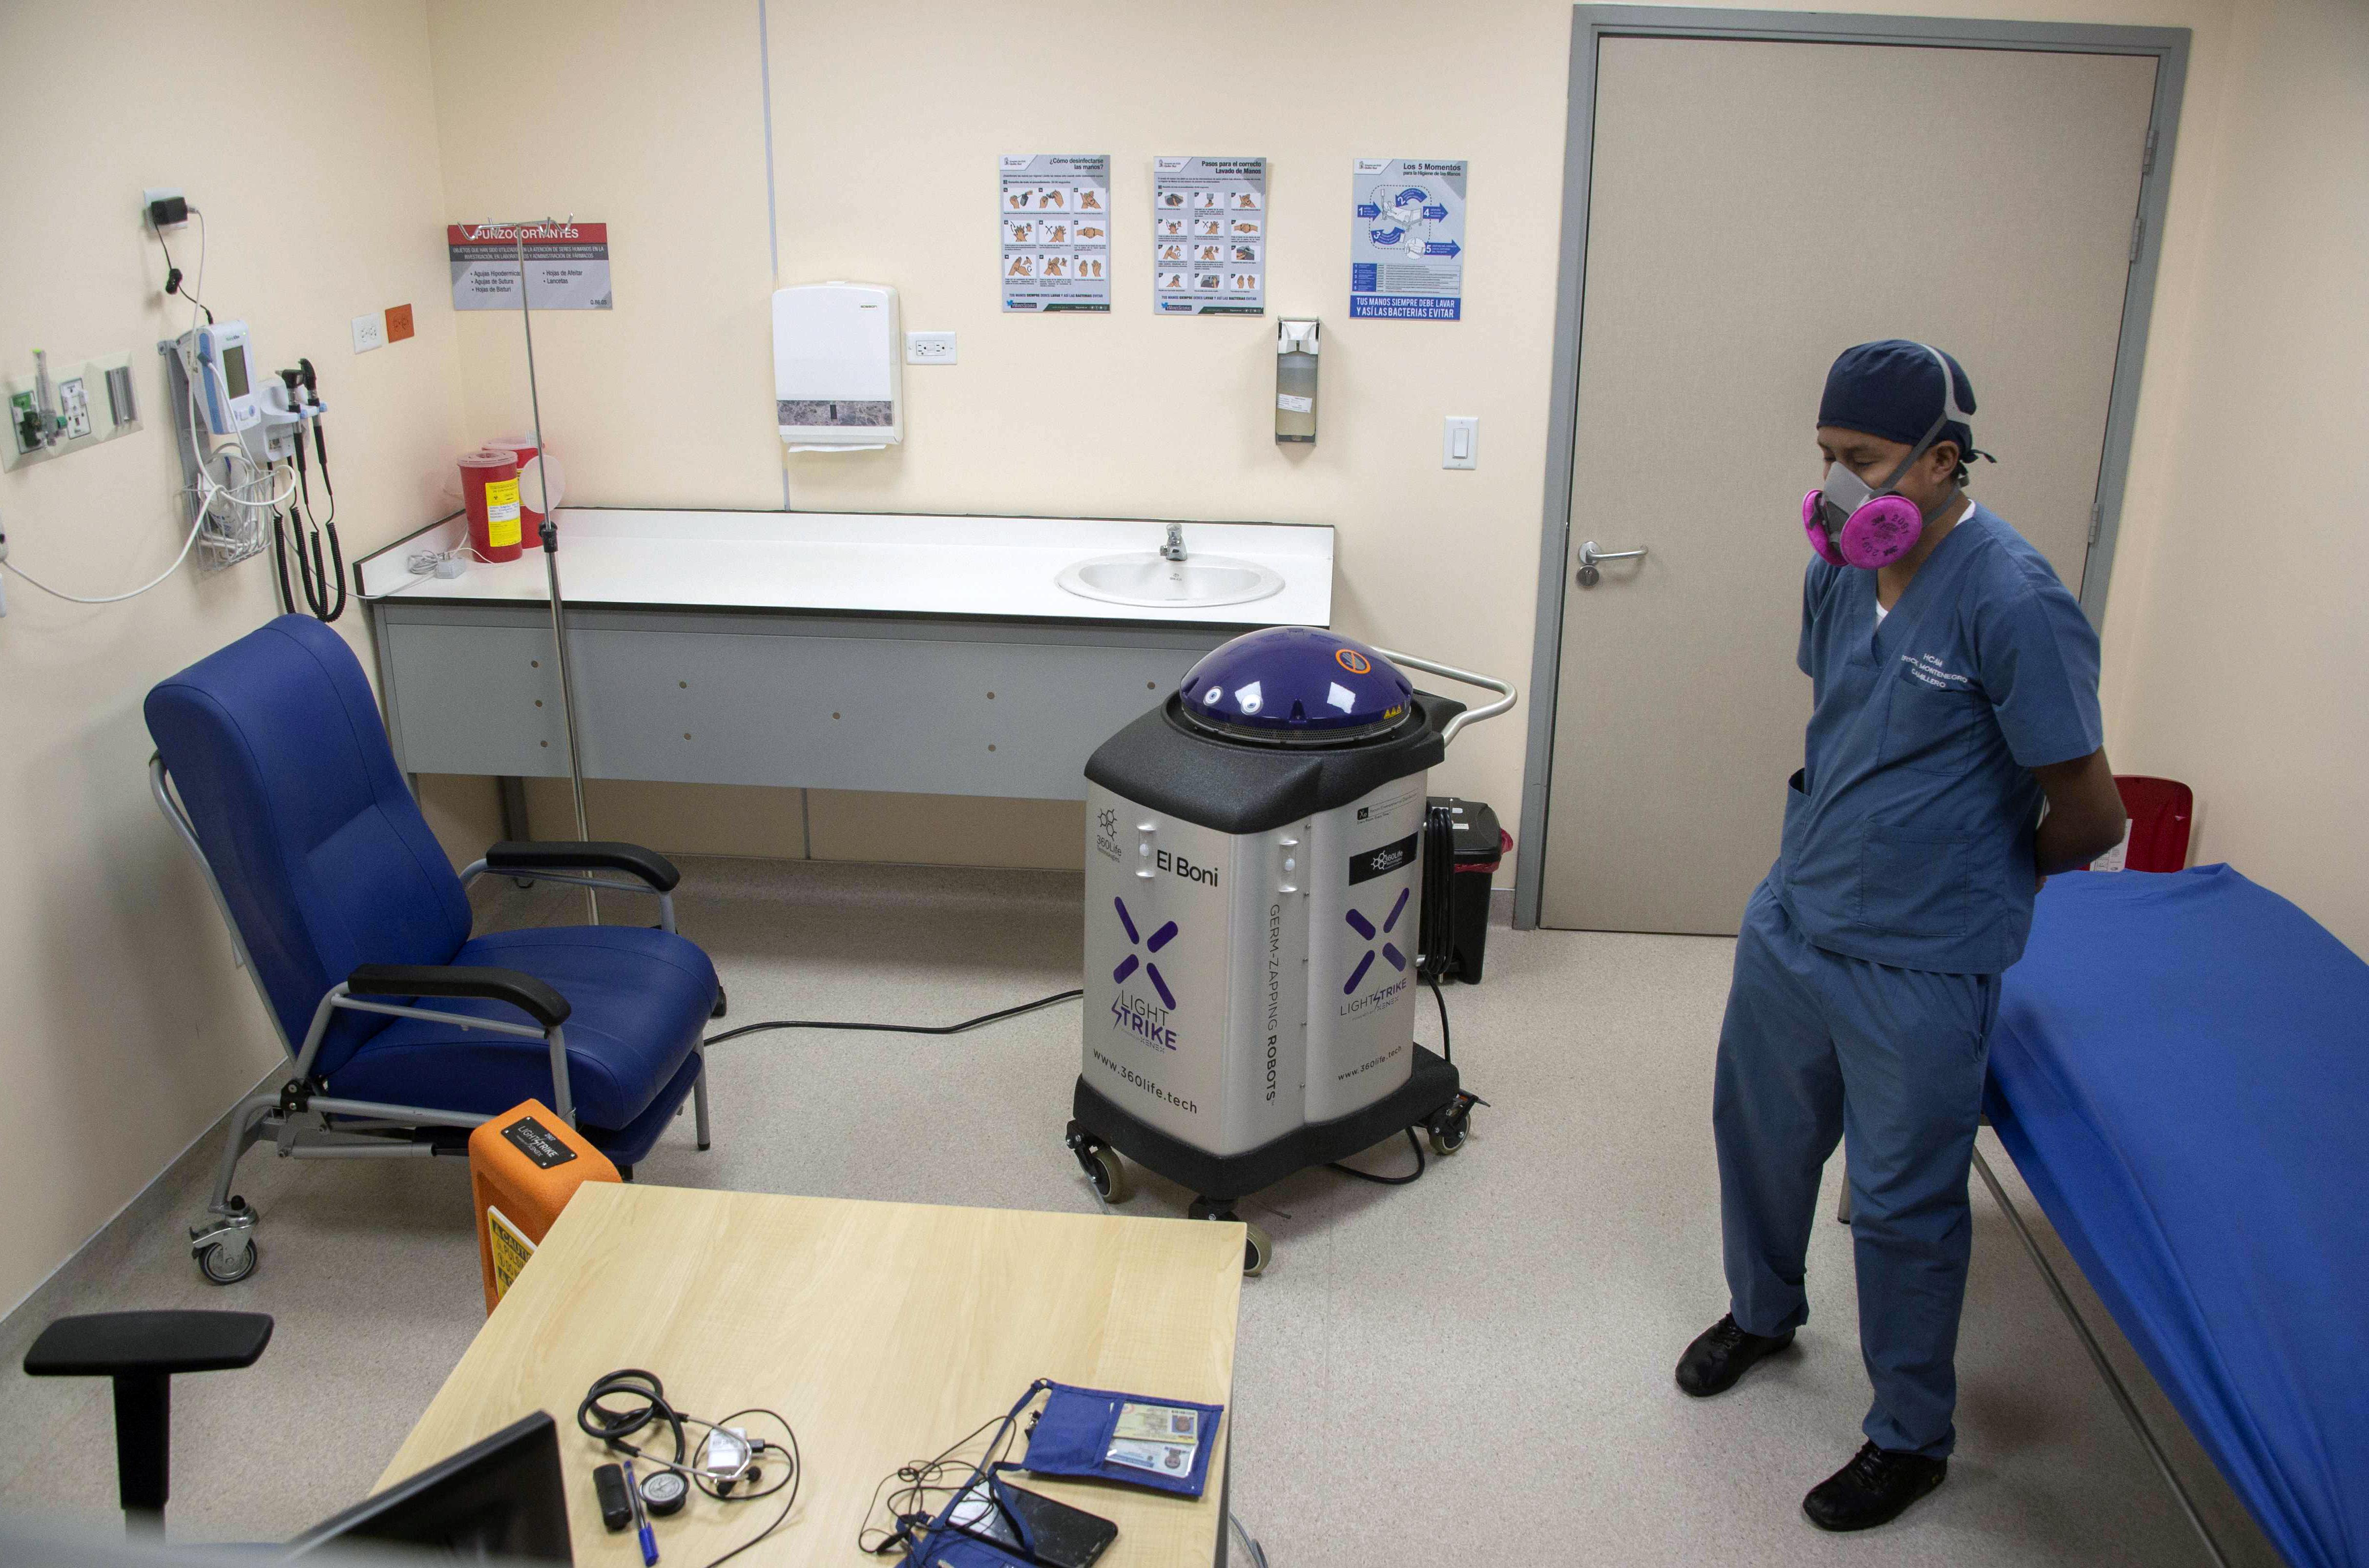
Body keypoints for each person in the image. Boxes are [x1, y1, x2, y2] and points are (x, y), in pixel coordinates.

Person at [1674, 341, 2128, 1531]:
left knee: (1900, 1205)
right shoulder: (1836, 568)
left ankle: (1908, 1434)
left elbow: (2092, 814)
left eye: (1860, 461)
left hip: (1920, 962)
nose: (1834, 487)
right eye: (1824, 458)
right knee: (1761, 1140)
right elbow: (1841, 719)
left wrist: (1971, 877)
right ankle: (1764, 1317)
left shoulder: (2014, 600)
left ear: (1939, 460)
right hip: (1796, 916)